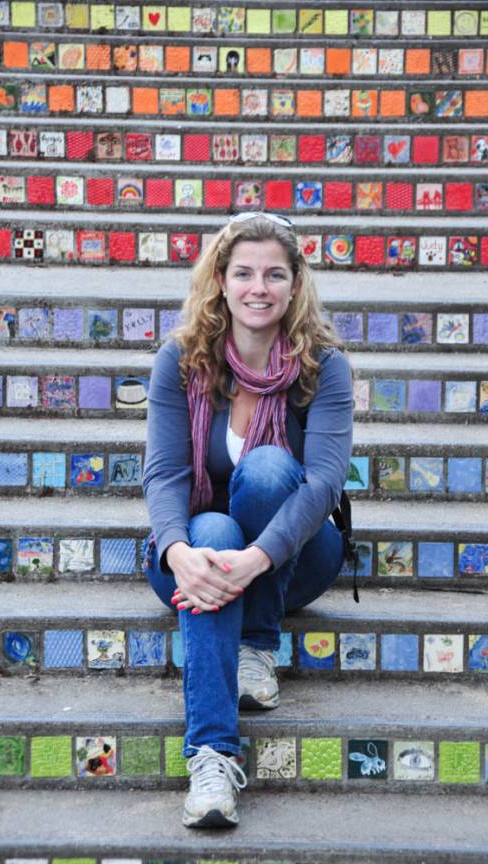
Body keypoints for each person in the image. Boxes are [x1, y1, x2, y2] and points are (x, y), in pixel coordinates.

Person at [142, 212, 353, 828]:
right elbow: (164, 476)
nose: (258, 287)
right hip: (194, 559)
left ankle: (257, 644)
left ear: (295, 285)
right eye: (244, 273)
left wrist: (258, 560)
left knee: (266, 469)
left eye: (274, 274)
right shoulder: (181, 361)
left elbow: (322, 484)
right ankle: (211, 758)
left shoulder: (323, 366)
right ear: (221, 281)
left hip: (296, 557)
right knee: (209, 529)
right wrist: (178, 552)